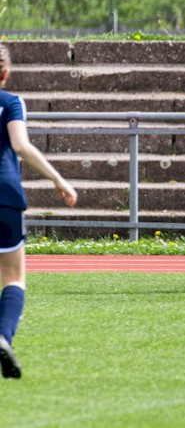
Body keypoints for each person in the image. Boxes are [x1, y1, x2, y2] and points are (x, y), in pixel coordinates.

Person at [0, 44, 78, 378]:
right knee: (13, 277)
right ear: (5, 72)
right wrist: (58, 179)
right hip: (5, 194)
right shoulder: (11, 102)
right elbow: (20, 145)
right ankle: (3, 336)